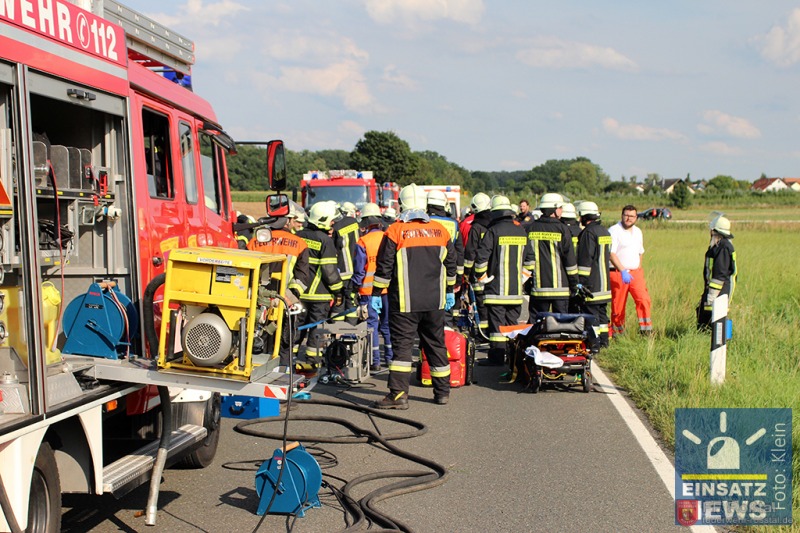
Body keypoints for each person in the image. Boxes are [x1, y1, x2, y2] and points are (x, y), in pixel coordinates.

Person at [372, 184, 457, 409]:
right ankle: (442, 393)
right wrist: (449, 290)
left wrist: (376, 294)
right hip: (435, 302)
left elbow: (384, 267)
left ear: (402, 205)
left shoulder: (395, 231)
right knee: (436, 345)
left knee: (402, 348)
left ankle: (399, 396)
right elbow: (451, 265)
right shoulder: (440, 230)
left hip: (405, 303)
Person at [473, 195, 534, 366]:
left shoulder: (493, 231)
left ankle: (497, 358)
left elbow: (481, 259)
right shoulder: (521, 231)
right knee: (512, 327)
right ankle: (513, 359)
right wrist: (522, 277)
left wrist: (482, 278)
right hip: (515, 291)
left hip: (496, 291)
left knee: (497, 329)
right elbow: (530, 260)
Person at [247, 216, 310, 366]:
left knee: (255, 340)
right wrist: (291, 297)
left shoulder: (254, 242)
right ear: (287, 222)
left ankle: (254, 370)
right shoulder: (299, 244)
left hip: (258, 300)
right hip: (285, 300)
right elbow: (302, 277)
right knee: (284, 342)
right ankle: (283, 373)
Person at [297, 201, 344, 360]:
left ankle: (288, 360)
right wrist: (339, 290)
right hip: (320, 296)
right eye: (331, 221)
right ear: (323, 220)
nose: (333, 224)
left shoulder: (298, 236)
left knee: (296, 328)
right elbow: (329, 271)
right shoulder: (325, 240)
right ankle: (312, 362)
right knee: (316, 332)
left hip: (298, 294)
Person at [352, 203, 393, 371]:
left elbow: (359, 270)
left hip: (368, 291)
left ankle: (375, 361)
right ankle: (390, 358)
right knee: (387, 325)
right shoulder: (388, 237)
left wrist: (354, 287)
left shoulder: (363, 242)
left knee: (372, 326)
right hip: (387, 290)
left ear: (366, 223)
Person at [524, 193, 577, 317]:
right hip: (560, 290)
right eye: (560, 208)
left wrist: (527, 283)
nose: (562, 210)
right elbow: (569, 261)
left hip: (538, 288)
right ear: (554, 210)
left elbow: (526, 258)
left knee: (537, 324)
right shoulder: (563, 229)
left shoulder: (531, 228)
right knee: (561, 324)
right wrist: (574, 284)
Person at [608, 204, 653, 336]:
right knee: (618, 305)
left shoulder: (638, 232)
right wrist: (622, 270)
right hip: (618, 273)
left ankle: (646, 330)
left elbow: (640, 252)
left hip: (635, 273)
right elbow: (611, 254)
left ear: (636, 218)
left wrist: (638, 268)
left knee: (643, 300)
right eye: (626, 215)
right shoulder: (614, 231)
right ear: (622, 216)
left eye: (632, 216)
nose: (629, 218)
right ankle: (618, 333)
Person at [575, 202, 611, 351]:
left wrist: (581, 283)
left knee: (592, 315)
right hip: (605, 285)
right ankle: (604, 342)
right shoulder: (605, 231)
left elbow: (585, 260)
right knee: (602, 315)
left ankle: (594, 344)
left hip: (592, 285)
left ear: (584, 216)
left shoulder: (588, 233)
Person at [427, 189, 465, 325]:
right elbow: (459, 254)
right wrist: (458, 279)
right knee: (446, 314)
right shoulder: (453, 224)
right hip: (448, 274)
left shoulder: (424, 222)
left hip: (427, 275)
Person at [697, 216, 737, 330]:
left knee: (714, 325)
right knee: (703, 316)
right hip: (713, 290)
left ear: (715, 231)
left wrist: (712, 296)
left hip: (718, 292)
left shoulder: (723, 247)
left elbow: (720, 274)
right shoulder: (718, 246)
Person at [462, 192, 493, 338]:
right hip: (494, 272)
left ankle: (483, 333)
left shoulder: (476, 227)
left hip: (479, 273)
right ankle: (493, 330)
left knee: (481, 303)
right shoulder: (495, 225)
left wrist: (466, 272)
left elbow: (470, 252)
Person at [332, 202, 360, 324]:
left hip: (341, 272)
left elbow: (333, 249)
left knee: (339, 301)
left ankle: (337, 329)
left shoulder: (336, 227)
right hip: (356, 270)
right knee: (352, 301)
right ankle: (351, 329)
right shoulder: (355, 223)